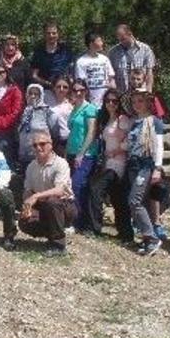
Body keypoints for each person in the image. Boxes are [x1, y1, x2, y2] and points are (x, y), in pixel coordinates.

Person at [18, 130, 77, 256]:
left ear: (51, 145)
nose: (38, 147)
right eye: (35, 145)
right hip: (42, 206)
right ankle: (52, 233)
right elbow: (27, 190)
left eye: (42, 144)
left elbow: (60, 190)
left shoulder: (61, 163)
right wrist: (28, 207)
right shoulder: (31, 166)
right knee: (23, 223)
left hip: (64, 205)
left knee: (53, 202)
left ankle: (59, 245)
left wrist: (36, 196)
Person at [88, 89, 133, 241]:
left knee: (95, 188)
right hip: (109, 163)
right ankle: (126, 233)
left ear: (119, 103)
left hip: (119, 163)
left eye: (114, 101)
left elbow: (131, 140)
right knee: (118, 198)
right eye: (108, 101)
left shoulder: (123, 119)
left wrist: (117, 150)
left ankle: (95, 227)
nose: (111, 104)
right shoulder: (108, 119)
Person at [125, 88, 165, 256]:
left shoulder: (154, 121)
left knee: (134, 201)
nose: (136, 105)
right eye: (134, 102)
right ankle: (147, 238)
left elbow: (159, 146)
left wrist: (157, 168)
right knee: (142, 201)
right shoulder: (135, 122)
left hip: (145, 165)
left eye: (140, 101)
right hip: (133, 164)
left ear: (148, 102)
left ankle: (152, 237)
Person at [66, 79, 99, 232]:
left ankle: (77, 221)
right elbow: (72, 133)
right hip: (72, 152)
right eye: (75, 90)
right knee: (78, 187)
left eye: (81, 90)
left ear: (86, 91)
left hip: (86, 153)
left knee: (77, 185)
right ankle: (84, 221)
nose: (78, 93)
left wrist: (81, 153)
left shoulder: (90, 109)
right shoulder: (73, 109)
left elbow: (91, 132)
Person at [17, 84, 60, 170]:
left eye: (36, 94)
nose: (33, 96)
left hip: (41, 154)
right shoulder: (25, 111)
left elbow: (55, 132)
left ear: (41, 95)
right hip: (25, 154)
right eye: (30, 93)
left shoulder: (47, 112)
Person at [0, 64, 23, 167]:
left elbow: (15, 113)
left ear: (6, 73)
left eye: (1, 72)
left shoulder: (14, 90)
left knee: (4, 160)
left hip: (6, 131)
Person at [108, 23, 156, 93]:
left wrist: (149, 90)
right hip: (121, 94)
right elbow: (110, 74)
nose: (121, 42)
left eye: (123, 39)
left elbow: (149, 72)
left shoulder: (145, 49)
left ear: (130, 34)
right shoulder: (113, 52)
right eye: (119, 39)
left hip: (140, 94)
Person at [30, 20, 75, 90]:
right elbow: (34, 75)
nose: (51, 36)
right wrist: (49, 84)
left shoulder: (66, 50)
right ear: (44, 34)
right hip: (46, 90)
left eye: (54, 33)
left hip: (64, 90)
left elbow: (71, 72)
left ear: (58, 34)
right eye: (48, 33)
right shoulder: (38, 52)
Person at [74, 31, 115, 107]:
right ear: (91, 44)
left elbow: (111, 77)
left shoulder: (104, 59)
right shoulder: (81, 61)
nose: (102, 43)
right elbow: (80, 82)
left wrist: (112, 85)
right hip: (90, 101)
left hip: (107, 101)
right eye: (99, 41)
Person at [47, 76, 73, 156]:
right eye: (58, 87)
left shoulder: (72, 104)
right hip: (50, 139)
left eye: (65, 87)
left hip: (67, 140)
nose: (61, 89)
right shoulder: (47, 97)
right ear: (54, 88)